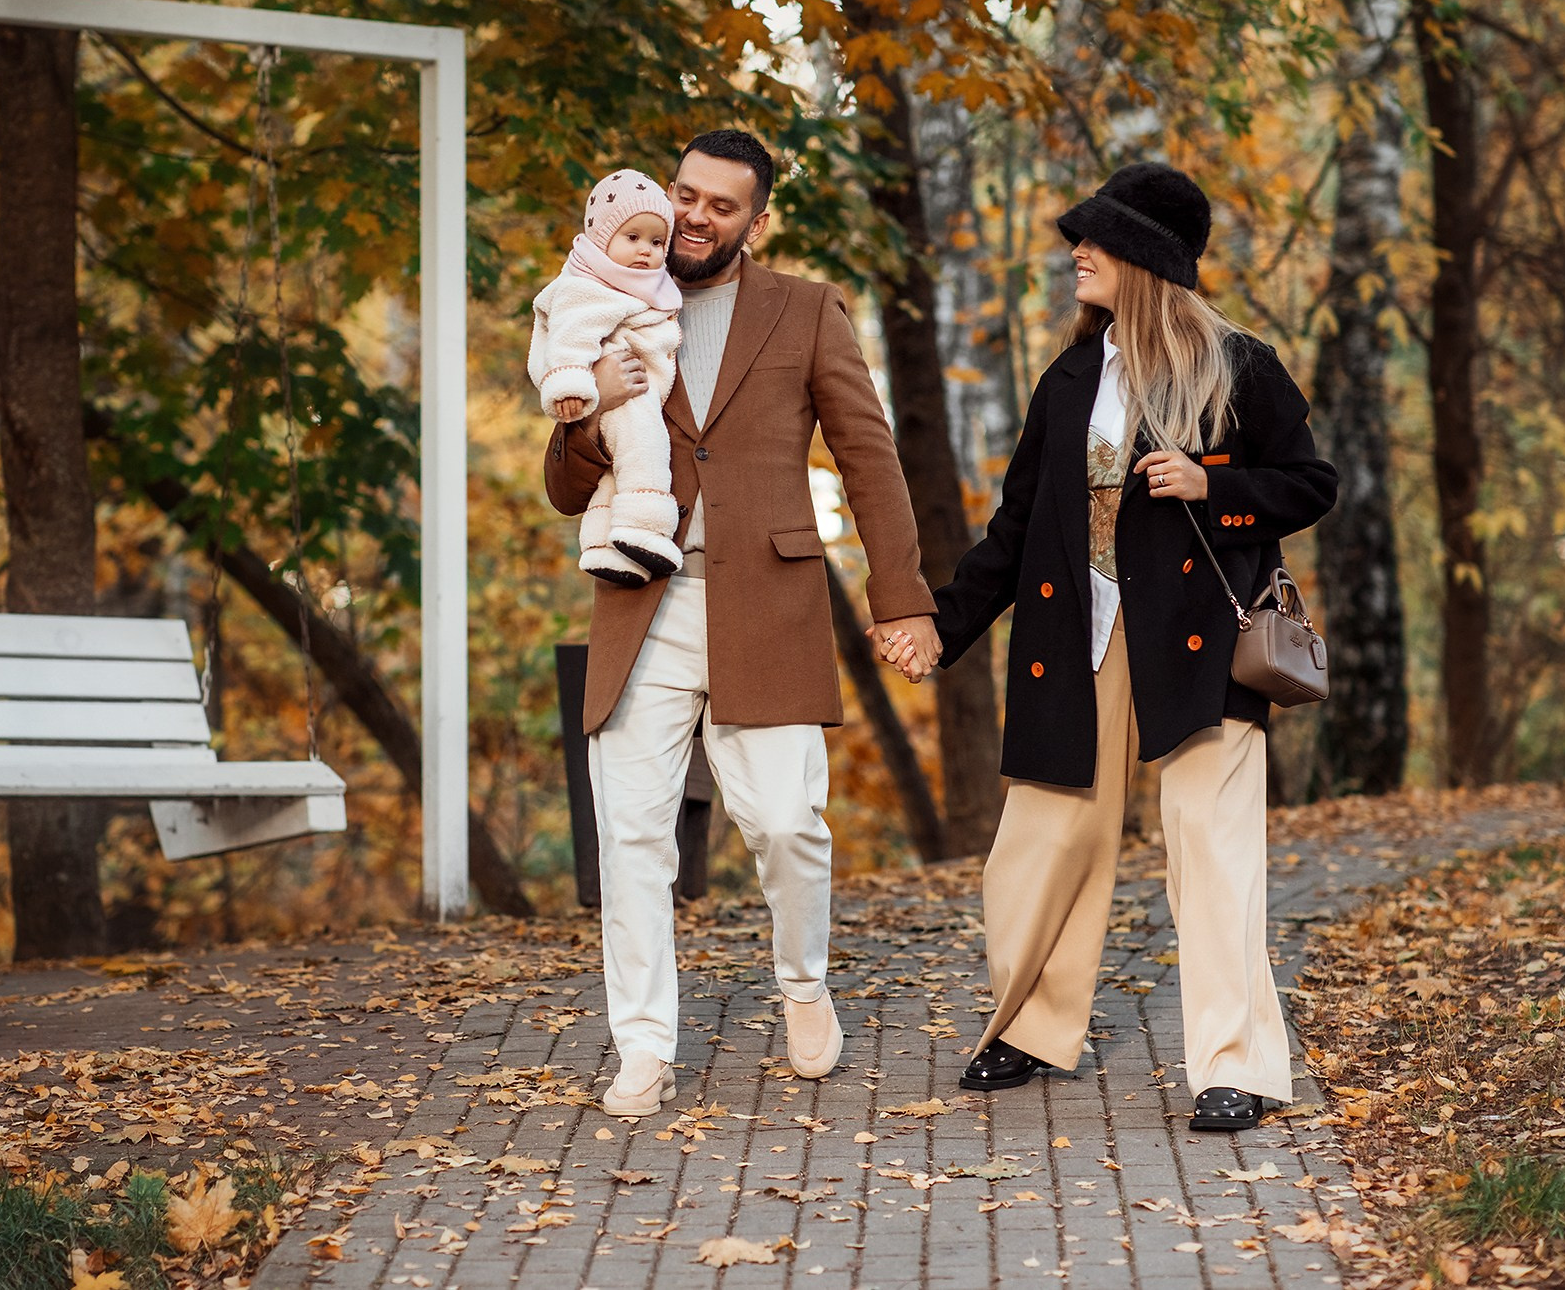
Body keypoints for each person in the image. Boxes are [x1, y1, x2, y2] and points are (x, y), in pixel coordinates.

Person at [890, 161, 1337, 1134]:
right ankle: (1030, 1026)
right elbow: (1015, 529)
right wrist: (940, 624)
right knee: (1039, 845)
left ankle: (1236, 1066)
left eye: (1096, 239)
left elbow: (1310, 482)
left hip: (1200, 645)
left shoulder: (1238, 365)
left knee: (1211, 855)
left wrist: (1212, 486)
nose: (1076, 253)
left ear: (1149, 259)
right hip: (1075, 638)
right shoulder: (1067, 378)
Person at [546, 128, 937, 1118]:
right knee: (630, 833)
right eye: (684, 193)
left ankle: (803, 984)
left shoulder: (804, 310)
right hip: (645, 595)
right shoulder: (605, 297)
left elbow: (869, 456)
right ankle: (642, 1046)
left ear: (756, 219)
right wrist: (593, 423)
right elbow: (560, 480)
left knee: (783, 822)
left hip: (767, 599)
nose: (692, 215)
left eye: (721, 204)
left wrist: (901, 599)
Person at [528, 170, 685, 585]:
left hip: (627, 386)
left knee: (616, 471)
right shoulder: (589, 284)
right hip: (626, 393)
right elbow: (570, 333)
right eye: (631, 238)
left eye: (656, 242)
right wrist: (575, 384)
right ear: (602, 239)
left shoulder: (629, 283)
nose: (645, 252)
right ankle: (646, 526)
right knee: (645, 449)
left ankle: (603, 544)